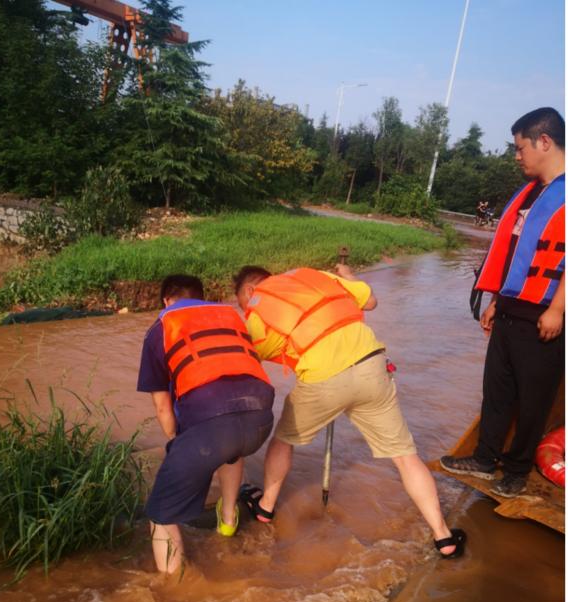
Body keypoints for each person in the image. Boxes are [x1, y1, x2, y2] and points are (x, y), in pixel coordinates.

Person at [233, 264, 466, 558]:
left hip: (322, 378)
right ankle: (443, 537)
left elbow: (250, 355)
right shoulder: (314, 276)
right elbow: (370, 301)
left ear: (251, 291)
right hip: (372, 365)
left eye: (244, 305)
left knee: (284, 440)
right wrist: (348, 275)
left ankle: (265, 507)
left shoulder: (259, 306)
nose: (247, 311)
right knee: (406, 458)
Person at [441, 107, 565, 497]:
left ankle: (516, 470)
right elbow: (514, 254)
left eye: (520, 147)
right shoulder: (530, 195)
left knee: (533, 398)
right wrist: (496, 301)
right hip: (511, 308)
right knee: (497, 389)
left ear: (544, 142)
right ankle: (484, 457)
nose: (516, 156)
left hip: (544, 312)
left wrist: (558, 309)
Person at [137, 274, 274, 574]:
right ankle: (227, 525)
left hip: (212, 426)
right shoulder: (231, 317)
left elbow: (162, 406)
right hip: (261, 418)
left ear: (167, 301)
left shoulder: (162, 328)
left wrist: (178, 442)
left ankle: (174, 587)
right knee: (231, 451)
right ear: (201, 297)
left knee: (160, 514)